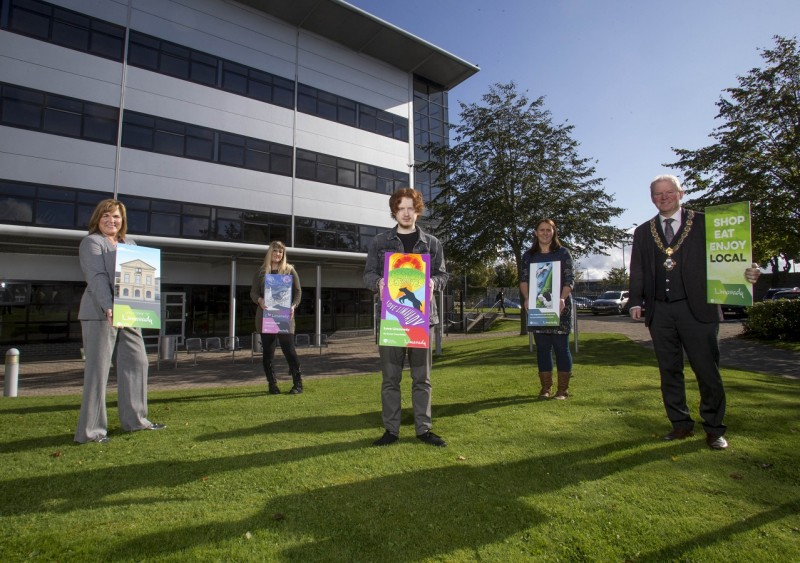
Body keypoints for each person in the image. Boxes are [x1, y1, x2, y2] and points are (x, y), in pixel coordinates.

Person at [629, 175, 761, 450]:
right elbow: (638, 270)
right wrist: (635, 301)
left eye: (668, 192)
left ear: (681, 193)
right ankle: (680, 425)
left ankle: (714, 429)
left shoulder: (706, 222)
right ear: (651, 197)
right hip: (660, 311)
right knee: (669, 370)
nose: (663, 197)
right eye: (657, 194)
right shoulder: (643, 231)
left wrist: (749, 269)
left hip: (698, 308)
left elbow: (731, 252)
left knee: (706, 370)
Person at [363, 187, 449, 447]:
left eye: (411, 208)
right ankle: (391, 430)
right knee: (390, 380)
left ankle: (423, 430)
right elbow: (367, 275)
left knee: (422, 379)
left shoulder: (432, 243)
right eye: (401, 208)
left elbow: (444, 276)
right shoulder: (379, 242)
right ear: (394, 211)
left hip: (422, 321)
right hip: (391, 321)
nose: (406, 213)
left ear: (418, 211)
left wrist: (434, 282)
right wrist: (378, 282)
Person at [75, 199, 165, 444]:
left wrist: (143, 307)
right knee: (98, 371)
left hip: (129, 313)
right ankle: (91, 432)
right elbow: (96, 277)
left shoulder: (130, 244)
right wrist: (108, 306)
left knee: (138, 362)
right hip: (100, 313)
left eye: (116, 217)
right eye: (106, 216)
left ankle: (136, 421)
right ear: (97, 219)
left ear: (122, 220)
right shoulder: (92, 242)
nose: (111, 221)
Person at [519, 219, 575, 400]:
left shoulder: (563, 253)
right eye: (541, 230)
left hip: (560, 307)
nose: (545, 233)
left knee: (561, 348)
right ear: (535, 233)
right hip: (537, 308)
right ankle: (545, 388)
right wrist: (527, 298)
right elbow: (524, 280)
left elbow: (569, 280)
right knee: (542, 348)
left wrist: (562, 298)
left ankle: (563, 390)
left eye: (548, 230)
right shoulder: (529, 255)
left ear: (554, 232)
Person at [251, 241, 303, 394]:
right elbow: (253, 293)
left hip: (284, 316)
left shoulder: (289, 270)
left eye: (281, 252)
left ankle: (298, 384)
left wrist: (293, 305)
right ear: (270, 253)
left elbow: (298, 292)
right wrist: (259, 300)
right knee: (268, 352)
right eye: (275, 251)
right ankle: (272, 384)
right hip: (265, 316)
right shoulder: (261, 272)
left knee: (290, 350)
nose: (278, 254)